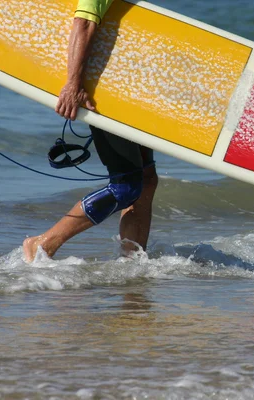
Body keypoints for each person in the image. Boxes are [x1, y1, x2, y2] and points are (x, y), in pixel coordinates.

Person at [23, 0, 158, 262]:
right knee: (125, 187)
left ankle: (132, 263)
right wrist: (73, 84)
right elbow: (83, 22)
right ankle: (42, 244)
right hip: (102, 94)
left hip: (124, 91)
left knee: (147, 178)